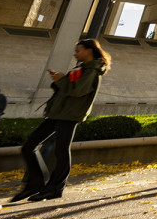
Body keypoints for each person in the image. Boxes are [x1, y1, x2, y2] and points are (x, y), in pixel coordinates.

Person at [12, 39, 110, 202]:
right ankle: (36, 183)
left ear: (89, 51)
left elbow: (77, 91)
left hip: (69, 115)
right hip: (58, 113)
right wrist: (58, 80)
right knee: (29, 146)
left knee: (61, 151)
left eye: (78, 51)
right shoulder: (82, 68)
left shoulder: (92, 70)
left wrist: (61, 80)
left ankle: (55, 188)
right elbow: (68, 89)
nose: (75, 54)